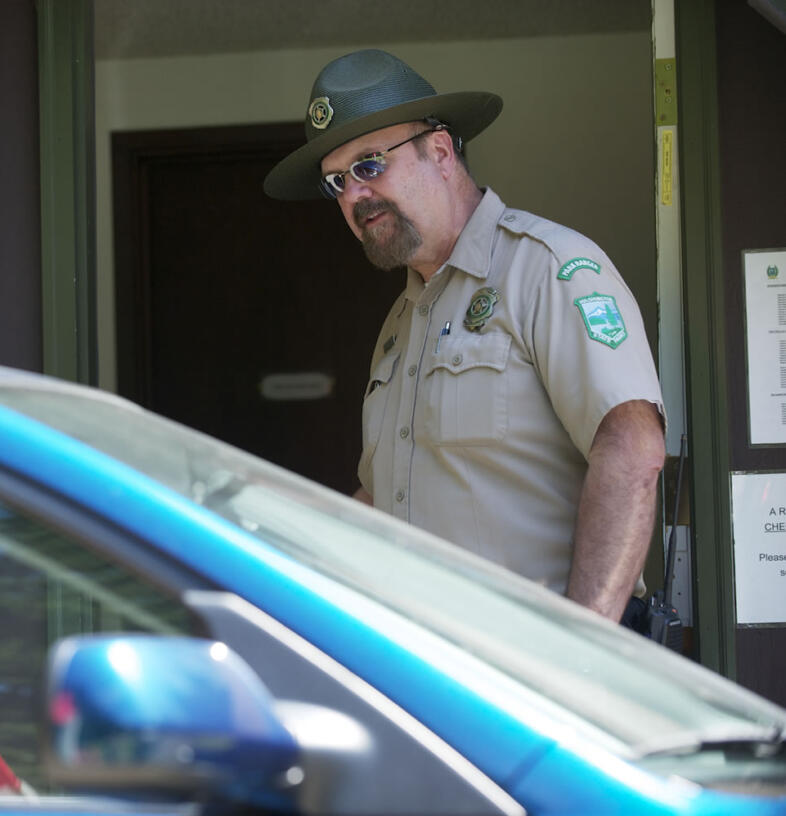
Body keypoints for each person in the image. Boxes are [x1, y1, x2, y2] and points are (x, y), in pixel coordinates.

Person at [263, 49, 665, 623]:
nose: (353, 194)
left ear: (443, 152)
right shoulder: (402, 323)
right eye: (336, 182)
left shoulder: (548, 269)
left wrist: (584, 657)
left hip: (532, 670)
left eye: (370, 164)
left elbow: (632, 453)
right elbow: (388, 498)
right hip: (433, 673)